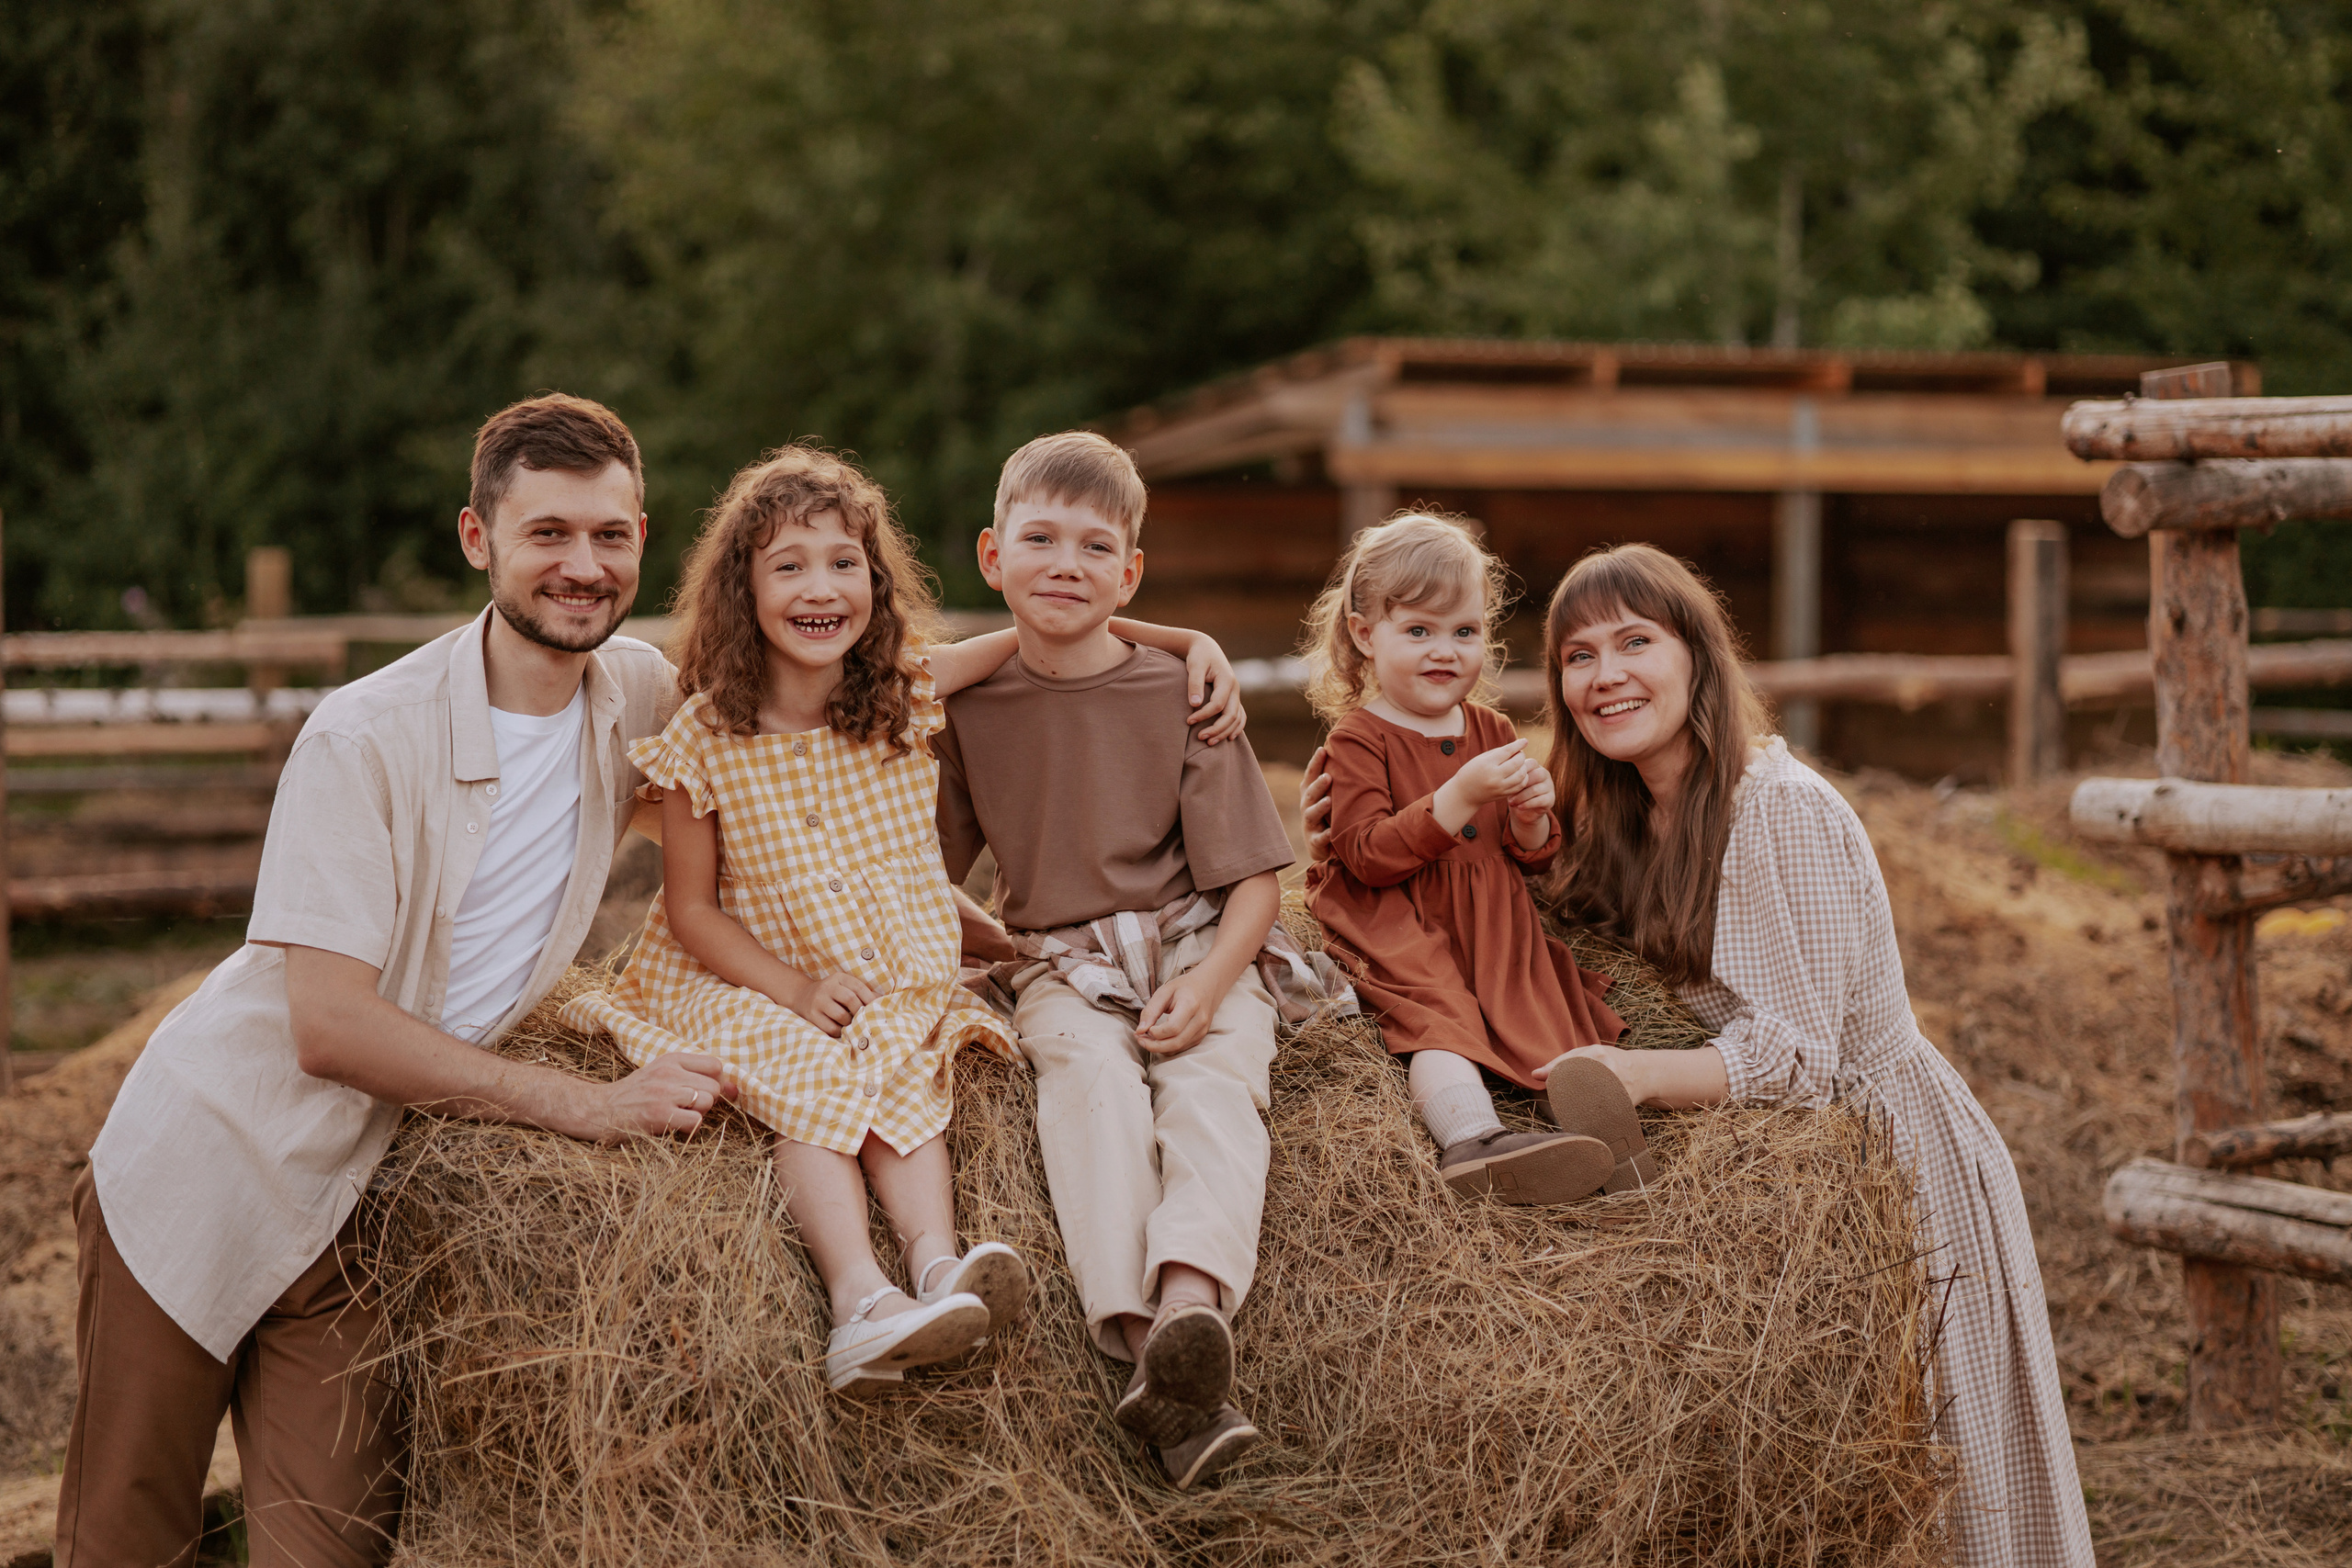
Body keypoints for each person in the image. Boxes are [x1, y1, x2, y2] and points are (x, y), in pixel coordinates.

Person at [1301, 541, 2094, 1568]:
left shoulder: (1777, 808)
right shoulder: (1626, 800)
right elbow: (1523, 893)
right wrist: (1374, 830)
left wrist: (1623, 1076)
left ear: (1697, 659)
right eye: (1578, 656)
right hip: (1798, 1132)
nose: (1605, 674)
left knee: (1944, 1494)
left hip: (1890, 1158)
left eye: (1636, 642)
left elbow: (1804, 1062)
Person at [62, 394, 733, 1568]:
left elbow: (829, 683)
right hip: (212, 1160)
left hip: (364, 1207)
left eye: (611, 536)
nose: (583, 567)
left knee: (332, 1552)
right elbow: (329, 1028)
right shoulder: (363, 737)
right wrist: (586, 1104)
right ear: (477, 540)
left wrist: (1152, 649)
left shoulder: (637, 694)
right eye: (549, 535)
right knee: (130, 1537)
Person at [562, 445, 1250, 1396]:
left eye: (845, 563)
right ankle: (858, 1301)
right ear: (743, 588)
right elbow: (687, 911)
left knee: (902, 1050)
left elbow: (1042, 625)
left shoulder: (901, 698)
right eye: (789, 565)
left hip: (877, 971)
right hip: (744, 978)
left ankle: (936, 1267)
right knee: (801, 1062)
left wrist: (1183, 644)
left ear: (876, 584)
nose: (821, 586)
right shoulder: (705, 740)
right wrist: (794, 989)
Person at [936, 432, 1348, 1490]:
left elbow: (1256, 880)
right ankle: (1145, 1355)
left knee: (1212, 1085)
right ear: (992, 557)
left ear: (1129, 573)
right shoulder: (965, 710)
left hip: (1192, 937)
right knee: (1089, 1087)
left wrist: (1210, 986)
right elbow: (926, 873)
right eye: (1038, 539)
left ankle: (1189, 1308)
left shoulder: (1183, 692)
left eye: (1094, 546)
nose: (1063, 564)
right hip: (1055, 960)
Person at [1296, 513, 1637, 1202]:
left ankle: (1599, 1145)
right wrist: (1458, 794)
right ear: (1366, 635)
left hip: (1487, 914)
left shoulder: (1493, 729)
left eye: (1465, 631)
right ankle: (1475, 1141)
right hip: (1398, 916)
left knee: (1544, 1004)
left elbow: (1530, 859)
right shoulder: (1359, 739)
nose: (1444, 650)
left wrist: (1532, 818)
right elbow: (1365, 854)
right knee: (1439, 1011)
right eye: (1418, 631)